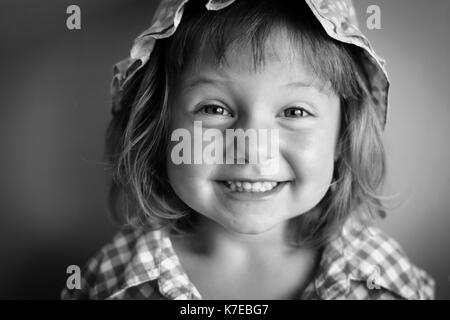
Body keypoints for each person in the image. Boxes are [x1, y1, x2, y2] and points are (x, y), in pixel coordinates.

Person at [62, 0, 435, 300]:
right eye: (214, 109)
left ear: (342, 137)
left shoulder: (381, 281)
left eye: (294, 111)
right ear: (159, 128)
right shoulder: (109, 283)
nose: (254, 150)